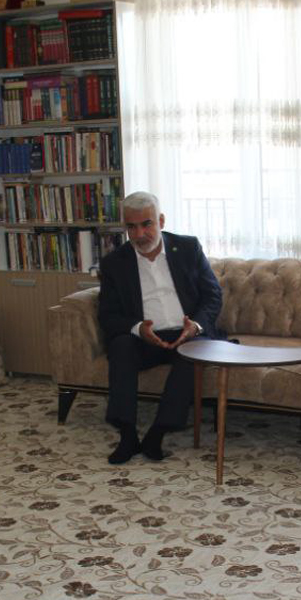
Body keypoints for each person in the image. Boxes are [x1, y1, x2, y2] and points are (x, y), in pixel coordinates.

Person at [97, 192, 224, 464]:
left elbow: (213, 295)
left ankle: (157, 434)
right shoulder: (114, 263)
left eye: (147, 224)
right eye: (131, 227)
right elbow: (108, 315)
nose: (140, 234)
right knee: (120, 346)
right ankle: (127, 435)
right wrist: (137, 328)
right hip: (145, 338)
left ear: (161, 221)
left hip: (187, 334)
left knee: (191, 356)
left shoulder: (188, 248)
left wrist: (196, 325)